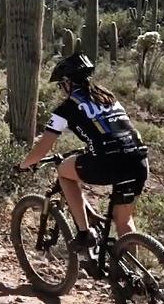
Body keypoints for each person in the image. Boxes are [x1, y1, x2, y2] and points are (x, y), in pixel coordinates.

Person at [15, 53, 149, 258]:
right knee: (123, 221)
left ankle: (85, 233)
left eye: (61, 85)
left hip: (108, 162)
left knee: (64, 172)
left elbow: (43, 147)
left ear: (68, 83)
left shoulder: (66, 108)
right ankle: (133, 279)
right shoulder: (107, 96)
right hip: (138, 159)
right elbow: (113, 130)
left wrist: (24, 164)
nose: (61, 90)